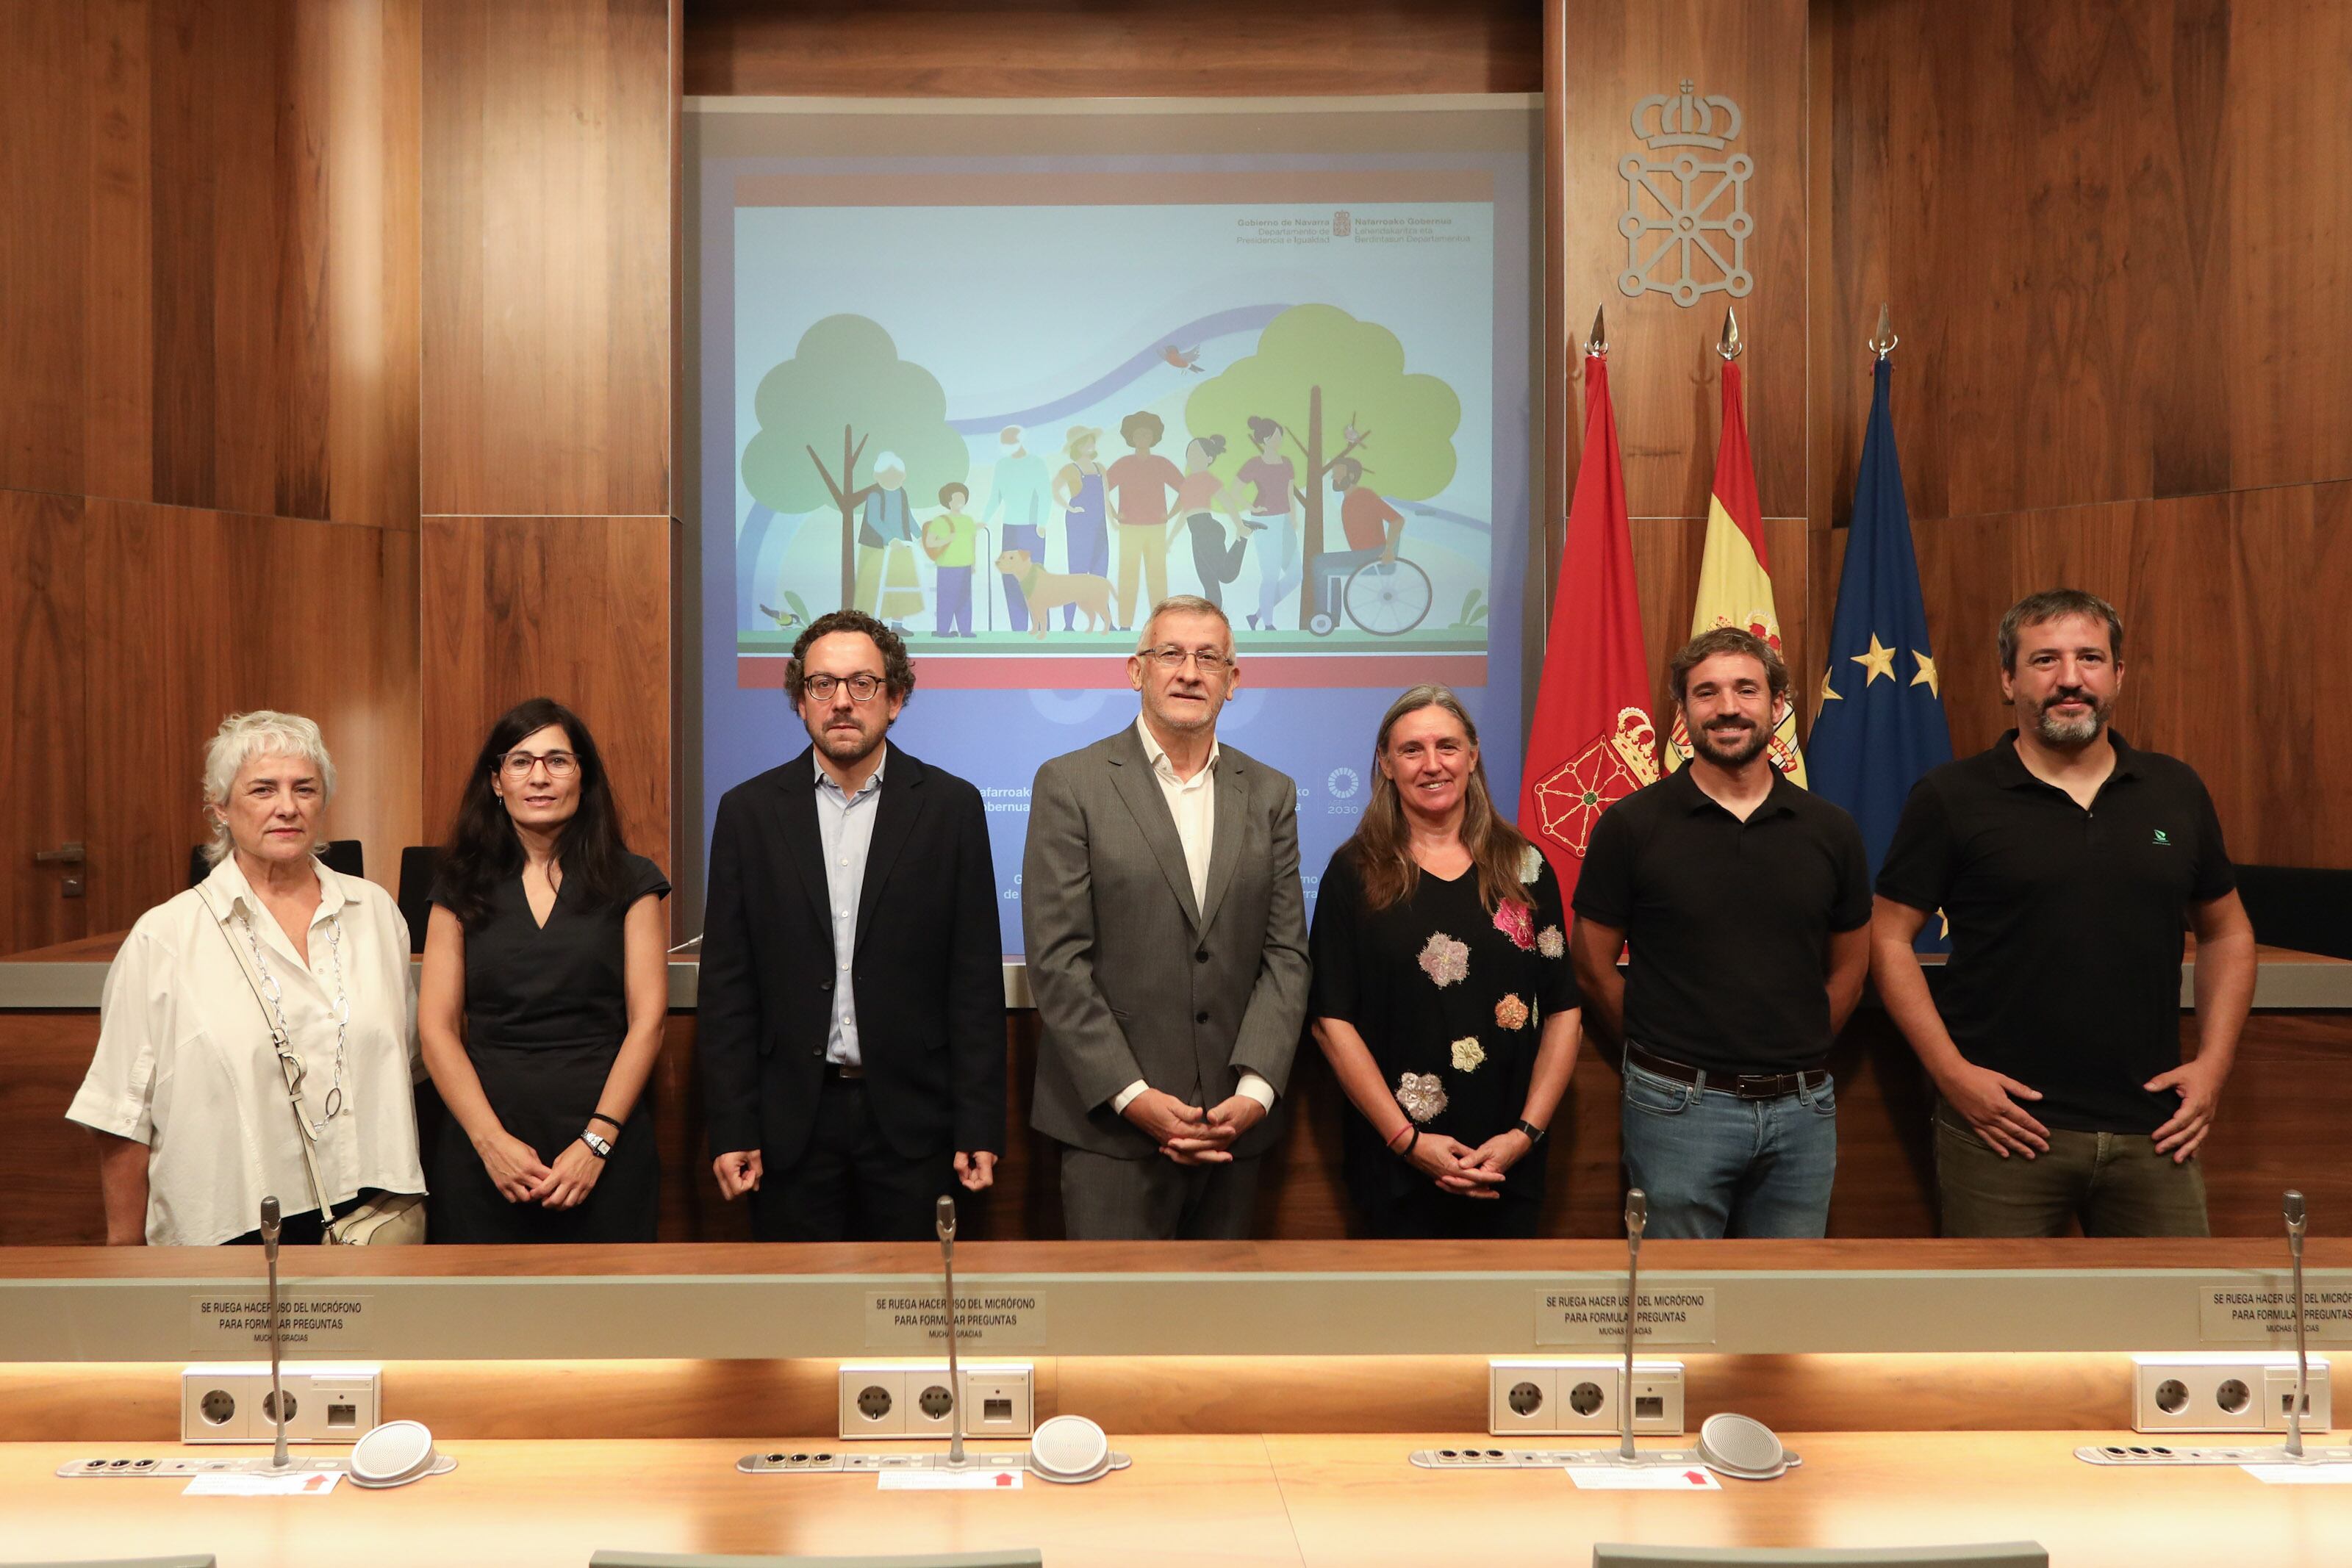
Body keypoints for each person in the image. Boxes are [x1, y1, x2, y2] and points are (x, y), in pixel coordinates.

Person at [1872, 589, 2256, 1238]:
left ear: (2118, 676)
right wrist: (1953, 1075)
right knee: (2002, 1337)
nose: (2070, 679)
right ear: (2008, 679)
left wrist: (2213, 1067)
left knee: (2173, 1329)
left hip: (2156, 1130)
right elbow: (1887, 938)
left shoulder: (2176, 790)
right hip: (2003, 1133)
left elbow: (2228, 933)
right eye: (2045, 660)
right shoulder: (1951, 797)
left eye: (2090, 659)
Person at [700, 610, 1004, 1240]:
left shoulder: (951, 809)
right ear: (800, 701)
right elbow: (728, 989)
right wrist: (733, 1127)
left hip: (916, 1127)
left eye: (862, 684)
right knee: (798, 1329)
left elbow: (973, 984)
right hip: (790, 1130)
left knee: (911, 1327)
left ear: (894, 700)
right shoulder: (748, 814)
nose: (842, 701)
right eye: (822, 685)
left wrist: (979, 1126)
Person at [68, 711, 426, 1245]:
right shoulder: (165, 937)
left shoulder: (374, 912)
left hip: (371, 1219)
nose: (287, 806)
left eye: (304, 788)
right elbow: (122, 1115)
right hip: (231, 1223)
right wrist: (126, 1259)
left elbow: (409, 1066)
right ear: (221, 808)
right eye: (263, 789)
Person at [1024, 594, 1311, 1239]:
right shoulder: (1071, 784)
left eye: (1209, 657)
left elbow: (1286, 955)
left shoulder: (1271, 793)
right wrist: (1134, 1097)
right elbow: (1057, 961)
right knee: (1112, 1337)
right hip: (1111, 1133)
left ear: (1233, 681)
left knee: (1219, 1338)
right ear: (1136, 670)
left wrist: (1254, 1096)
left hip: (1234, 1132)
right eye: (1170, 654)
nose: (1189, 671)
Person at [1570, 628, 1871, 1239]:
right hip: (1676, 1107)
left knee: (1783, 1316)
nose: (1727, 708)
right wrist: (1667, 1052)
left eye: (1746, 690)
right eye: (1706, 693)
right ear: (1683, 712)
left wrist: (1796, 1049)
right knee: (1677, 1311)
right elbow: (1593, 966)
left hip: (1803, 1110)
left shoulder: (1831, 830)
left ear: (1777, 704)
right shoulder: (1632, 826)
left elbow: (1851, 969)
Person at [1310, 686, 1581, 1238]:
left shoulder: (1524, 866)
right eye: (1412, 750)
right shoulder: (1354, 873)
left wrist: (1524, 1135)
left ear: (1474, 756)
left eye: (1448, 747)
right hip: (1397, 1165)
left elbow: (1563, 1011)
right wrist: (1408, 1143)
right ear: (1385, 764)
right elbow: (1329, 1020)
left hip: (1509, 1161)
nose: (1432, 765)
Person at [417, 699, 671, 1242]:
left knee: (609, 1324)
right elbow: (436, 1030)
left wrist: (596, 1143)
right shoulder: (458, 885)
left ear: (584, 776)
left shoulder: (632, 880)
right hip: (485, 1151)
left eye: (557, 760)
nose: (539, 777)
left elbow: (648, 1022)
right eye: (520, 761)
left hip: (604, 1148)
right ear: (496, 781)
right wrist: (491, 1143)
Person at [1105, 411, 1184, 630]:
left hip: (1157, 528)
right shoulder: (1123, 464)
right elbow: (1101, 489)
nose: (1142, 438)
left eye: (1147, 433)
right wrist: (1113, 513)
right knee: (1128, 576)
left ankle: (1160, 625)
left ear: (1153, 437)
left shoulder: (1161, 463)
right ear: (1131, 437)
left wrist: (1170, 514)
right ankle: (1125, 625)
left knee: (1157, 576)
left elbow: (1185, 489)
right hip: (1129, 527)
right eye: (1138, 434)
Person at [1308, 456, 1406, 621]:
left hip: (1372, 554)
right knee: (1325, 566)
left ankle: (1324, 616)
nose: (1333, 478)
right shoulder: (1349, 499)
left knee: (1319, 562)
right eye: (1333, 474)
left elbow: (1397, 520)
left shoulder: (1365, 496)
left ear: (1351, 476)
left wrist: (1389, 550)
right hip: (1363, 554)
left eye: (1338, 474)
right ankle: (1329, 617)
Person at [981, 425, 1052, 633]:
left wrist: (1042, 522)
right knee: (1011, 578)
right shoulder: (1002, 465)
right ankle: (1018, 629)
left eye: (1009, 441)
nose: (1006, 446)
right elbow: (996, 495)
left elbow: (1045, 494)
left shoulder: (1036, 463)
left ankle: (1041, 628)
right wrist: (984, 520)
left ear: (1020, 441)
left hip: (1033, 529)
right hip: (1010, 528)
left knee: (1035, 579)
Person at [1234, 415, 1301, 632]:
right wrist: (1252, 508)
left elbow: (1290, 492)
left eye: (1280, 436)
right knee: (1270, 575)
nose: (1278, 440)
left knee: (1295, 575)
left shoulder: (1287, 463)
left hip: (1285, 522)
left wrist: (1293, 516)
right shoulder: (1255, 464)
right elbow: (1235, 491)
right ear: (1264, 439)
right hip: (1264, 522)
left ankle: (1256, 616)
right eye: (1274, 436)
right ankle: (1268, 624)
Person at [1175, 435, 1248, 610]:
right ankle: (1212, 626)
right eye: (1190, 452)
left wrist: (1239, 525)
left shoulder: (1208, 478)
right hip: (1196, 534)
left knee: (1225, 575)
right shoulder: (1187, 483)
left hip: (1208, 530)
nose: (1192, 456)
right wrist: (1170, 538)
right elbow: (1184, 513)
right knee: (1209, 583)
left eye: (1197, 453)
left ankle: (1243, 539)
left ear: (1209, 459)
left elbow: (1227, 501)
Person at [1051, 426, 1111, 630]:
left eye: (1092, 441)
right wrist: (1070, 507)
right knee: (1077, 573)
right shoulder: (1070, 469)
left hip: (1099, 523)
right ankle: (1068, 624)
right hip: (1079, 523)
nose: (1091, 444)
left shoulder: (1100, 467)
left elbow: (1106, 497)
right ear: (1077, 446)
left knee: (1100, 572)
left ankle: (1107, 623)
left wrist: (1112, 519)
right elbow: (1054, 489)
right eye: (1086, 441)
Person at [855, 454, 919, 626]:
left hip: (903, 547)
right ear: (877, 476)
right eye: (888, 474)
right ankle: (873, 626)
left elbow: (908, 517)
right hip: (877, 548)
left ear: (903, 476)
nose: (893, 478)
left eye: (897, 474)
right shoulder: (875, 494)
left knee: (900, 586)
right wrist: (891, 539)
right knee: (874, 587)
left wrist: (921, 535)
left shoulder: (902, 493)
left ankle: (897, 625)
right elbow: (874, 519)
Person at [924, 482, 980, 638]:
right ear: (948, 501)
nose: (960, 501)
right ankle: (942, 631)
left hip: (965, 566)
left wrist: (974, 563)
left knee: (964, 600)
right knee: (946, 599)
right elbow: (930, 542)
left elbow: (973, 542)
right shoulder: (940, 521)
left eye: (962, 497)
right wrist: (947, 539)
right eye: (956, 498)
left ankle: (966, 630)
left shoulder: (968, 520)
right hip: (947, 566)